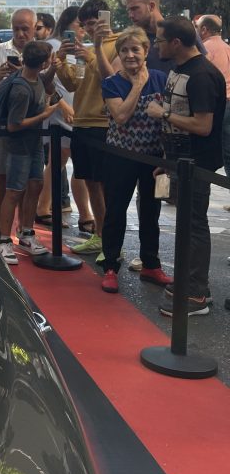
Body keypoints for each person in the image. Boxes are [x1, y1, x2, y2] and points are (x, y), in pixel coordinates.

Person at [146, 16, 226, 317]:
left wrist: (162, 115)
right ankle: (190, 285)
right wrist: (167, 161)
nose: (157, 45)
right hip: (179, 159)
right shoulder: (181, 69)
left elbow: (203, 126)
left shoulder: (202, 74)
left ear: (176, 43)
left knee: (194, 224)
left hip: (196, 162)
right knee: (187, 223)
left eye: (160, 40)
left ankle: (196, 294)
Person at [98, 27, 172, 293]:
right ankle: (109, 266)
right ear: (119, 54)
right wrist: (139, 85)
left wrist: (167, 155)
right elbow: (120, 116)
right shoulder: (111, 83)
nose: (130, 55)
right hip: (121, 156)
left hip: (153, 158)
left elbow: (170, 115)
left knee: (151, 213)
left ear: (146, 51)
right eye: (124, 50)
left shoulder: (162, 79)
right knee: (116, 211)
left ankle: (151, 263)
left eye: (135, 49)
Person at [55, 0, 119, 260]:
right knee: (91, 184)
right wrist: (60, 62)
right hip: (81, 123)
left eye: (93, 23)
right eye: (85, 25)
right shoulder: (88, 48)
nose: (89, 29)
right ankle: (100, 236)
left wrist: (92, 54)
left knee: (107, 186)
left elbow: (111, 78)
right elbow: (73, 84)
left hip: (104, 124)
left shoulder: (118, 44)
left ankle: (112, 243)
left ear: (105, 20)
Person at [0, 40, 58, 263]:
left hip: (34, 143)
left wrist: (55, 69)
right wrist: (44, 115)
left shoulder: (35, 76)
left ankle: (26, 232)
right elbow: (14, 124)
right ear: (42, 63)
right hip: (19, 145)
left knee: (35, 185)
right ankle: (3, 238)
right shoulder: (21, 88)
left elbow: (43, 82)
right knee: (14, 191)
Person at [35, 5, 95, 232]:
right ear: (68, 24)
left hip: (78, 110)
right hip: (60, 111)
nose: (82, 30)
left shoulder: (82, 49)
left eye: (85, 26)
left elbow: (78, 78)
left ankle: (77, 211)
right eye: (80, 25)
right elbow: (46, 79)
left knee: (67, 162)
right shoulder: (52, 46)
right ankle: (47, 207)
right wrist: (61, 104)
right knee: (59, 160)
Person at [0, 8, 37, 227]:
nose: (21, 34)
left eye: (25, 29)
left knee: (30, 180)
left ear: (34, 29)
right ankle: (0, 230)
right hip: (2, 121)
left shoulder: (41, 51)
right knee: (1, 176)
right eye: (16, 28)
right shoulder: (0, 50)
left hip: (31, 123)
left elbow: (50, 86)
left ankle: (25, 229)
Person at [196, 15, 230, 185]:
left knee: (224, 149)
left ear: (204, 29)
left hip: (220, 104)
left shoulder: (206, 49)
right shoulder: (226, 46)